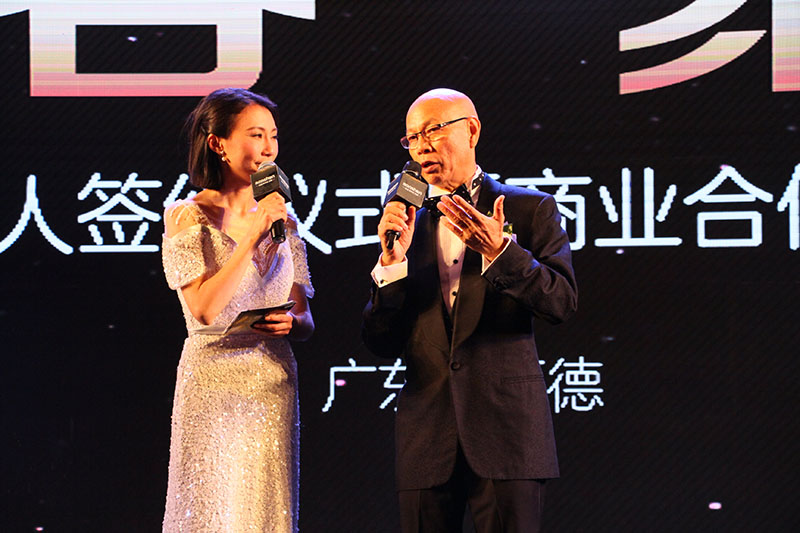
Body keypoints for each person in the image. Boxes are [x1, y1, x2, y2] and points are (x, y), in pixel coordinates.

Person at [362, 88, 577, 532]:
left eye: (433, 131)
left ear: (472, 131)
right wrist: (392, 264)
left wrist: (501, 253)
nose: (421, 146)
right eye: (412, 138)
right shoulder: (404, 222)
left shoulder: (530, 208)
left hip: (507, 433)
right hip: (426, 438)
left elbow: (561, 302)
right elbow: (380, 342)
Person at [161, 87, 314, 532]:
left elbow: (305, 317)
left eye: (273, 135)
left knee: (263, 510)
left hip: (272, 382)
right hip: (212, 381)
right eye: (255, 134)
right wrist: (251, 236)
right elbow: (204, 309)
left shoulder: (285, 220)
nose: (268, 148)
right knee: (210, 507)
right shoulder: (186, 216)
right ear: (218, 143)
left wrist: (292, 323)